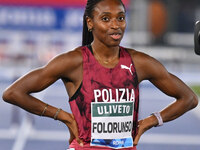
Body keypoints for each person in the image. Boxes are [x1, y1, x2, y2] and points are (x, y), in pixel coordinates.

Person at [2, 0, 198, 149]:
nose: (115, 25)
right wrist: (63, 116)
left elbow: (189, 98)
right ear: (90, 23)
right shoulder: (73, 62)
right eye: (106, 19)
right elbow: (13, 93)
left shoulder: (139, 62)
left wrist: (149, 121)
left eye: (120, 18)